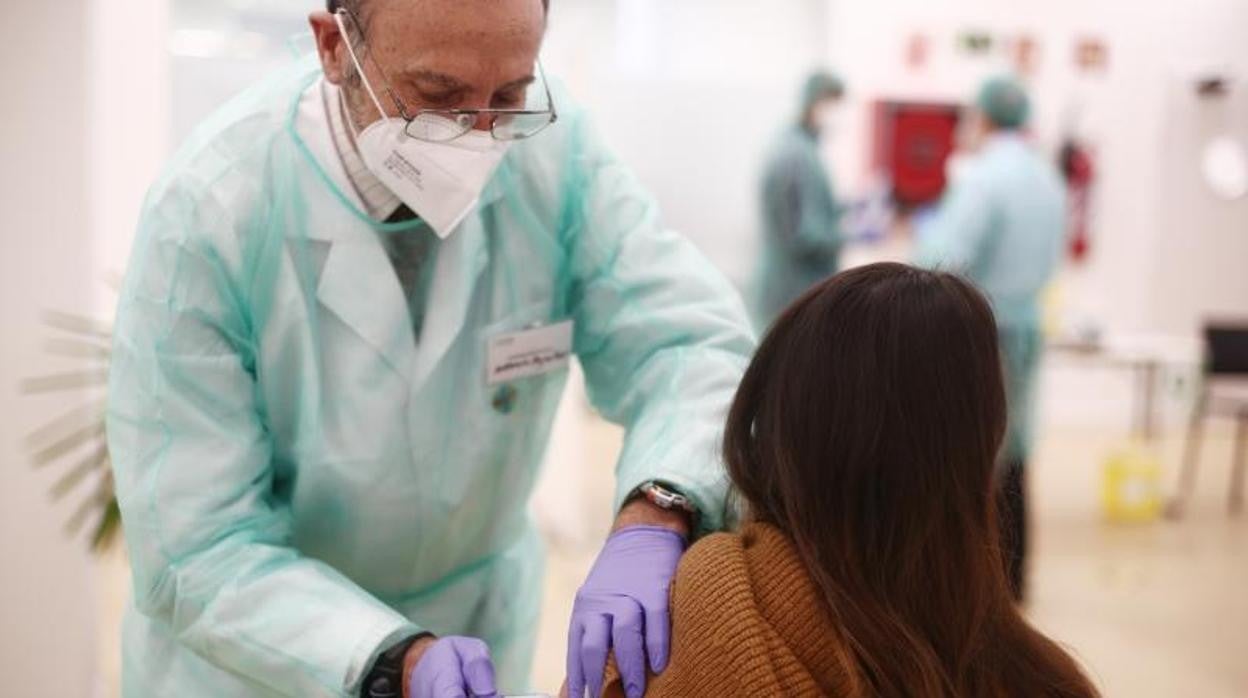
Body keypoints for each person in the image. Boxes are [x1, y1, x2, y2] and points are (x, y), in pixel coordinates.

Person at [106, 1, 755, 696]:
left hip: (480, 622)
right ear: (333, 48)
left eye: (508, 96)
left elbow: (688, 341)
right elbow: (197, 547)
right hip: (265, 661)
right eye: (436, 98)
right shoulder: (211, 211)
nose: (477, 137)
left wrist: (657, 510)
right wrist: (394, 659)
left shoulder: (555, 151)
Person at [594, 263, 1098, 697]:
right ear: (980, 452)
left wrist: (657, 507)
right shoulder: (1042, 679)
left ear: (777, 418)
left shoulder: (684, 618)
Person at [917, 76, 1067, 600]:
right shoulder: (1046, 177)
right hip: (1026, 328)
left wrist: (923, 233)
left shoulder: (984, 179)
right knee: (1016, 450)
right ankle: (1015, 576)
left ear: (982, 118)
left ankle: (979, 584)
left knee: (976, 457)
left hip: (983, 335)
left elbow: (942, 259)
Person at [751, 71, 847, 331]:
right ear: (816, 101)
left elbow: (811, 206)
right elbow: (806, 236)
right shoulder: (798, 156)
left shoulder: (797, 146)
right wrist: (854, 235)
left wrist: (849, 207)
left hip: (788, 287)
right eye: (834, 103)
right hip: (793, 289)